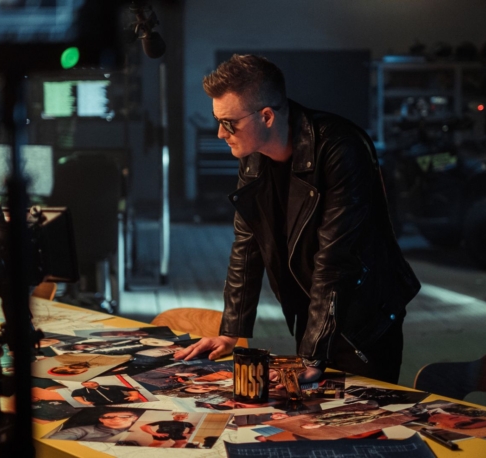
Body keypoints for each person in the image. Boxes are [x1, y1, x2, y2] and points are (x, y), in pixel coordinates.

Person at [175, 54, 420, 384]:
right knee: (309, 408)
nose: (221, 133)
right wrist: (230, 332)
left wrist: (313, 353)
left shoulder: (339, 147)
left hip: (362, 318)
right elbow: (247, 246)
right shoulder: (253, 156)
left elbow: (336, 259)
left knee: (361, 412)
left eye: (229, 123)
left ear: (266, 116)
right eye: (218, 121)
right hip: (312, 310)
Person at [48, 411, 139, 442]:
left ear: (134, 418)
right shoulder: (79, 431)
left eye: (124, 416)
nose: (116, 418)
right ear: (101, 419)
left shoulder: (141, 430)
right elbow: (54, 442)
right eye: (109, 416)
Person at [71, 381, 142, 406]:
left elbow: (130, 389)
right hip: (102, 406)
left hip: (124, 402)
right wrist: (83, 402)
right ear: (84, 385)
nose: (92, 383)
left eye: (93, 382)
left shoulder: (110, 387)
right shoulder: (81, 391)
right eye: (88, 383)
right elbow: (75, 395)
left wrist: (134, 396)